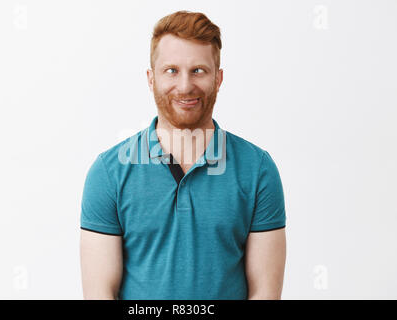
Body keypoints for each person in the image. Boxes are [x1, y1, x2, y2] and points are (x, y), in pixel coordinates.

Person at [80, 10, 286, 300]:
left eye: (198, 70)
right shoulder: (108, 172)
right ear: (151, 79)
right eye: (172, 70)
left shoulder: (258, 170)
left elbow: (265, 293)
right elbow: (100, 293)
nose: (186, 85)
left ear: (218, 78)